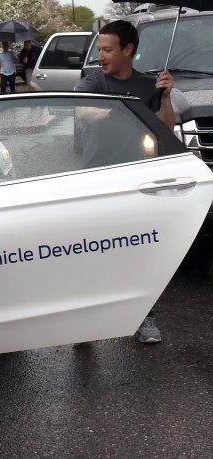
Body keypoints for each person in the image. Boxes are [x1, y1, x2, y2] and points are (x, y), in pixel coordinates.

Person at [75, 20, 174, 343]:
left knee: (140, 252)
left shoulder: (149, 86)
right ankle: (86, 323)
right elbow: (81, 112)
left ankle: (145, 317)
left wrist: (166, 97)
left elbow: (166, 129)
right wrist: (120, 111)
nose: (100, 56)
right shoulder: (93, 82)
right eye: (99, 49)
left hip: (137, 181)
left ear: (128, 50)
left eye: (107, 49)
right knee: (91, 252)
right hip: (96, 180)